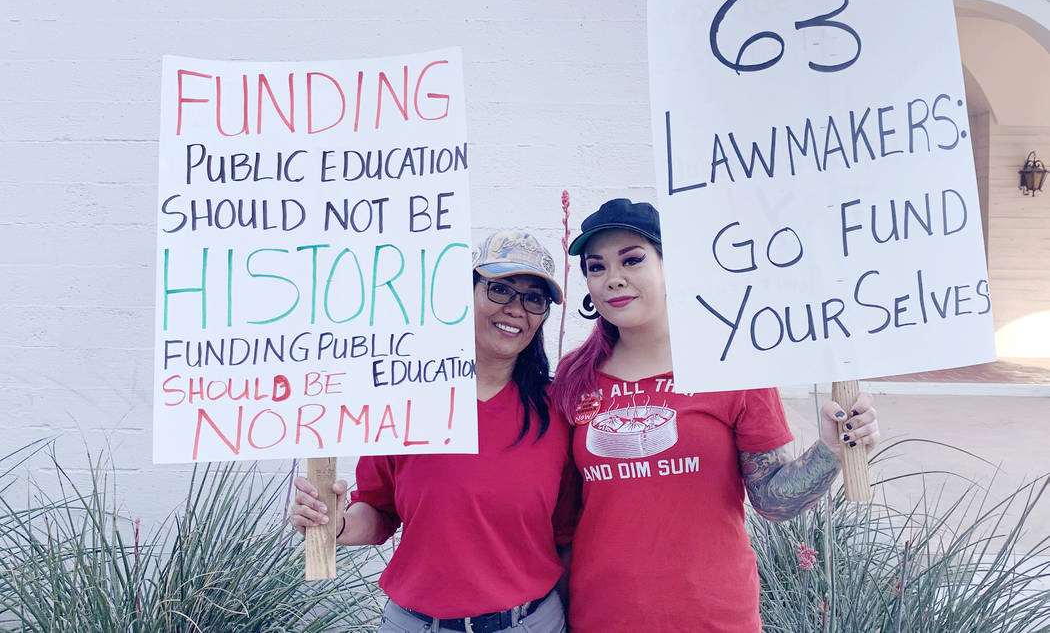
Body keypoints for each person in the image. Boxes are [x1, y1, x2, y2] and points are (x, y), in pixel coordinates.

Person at [548, 198, 881, 633]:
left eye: (632, 260)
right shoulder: (575, 376)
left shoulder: (731, 366)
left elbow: (773, 501)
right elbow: (564, 520)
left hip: (712, 617)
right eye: (597, 267)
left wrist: (831, 450)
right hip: (603, 616)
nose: (614, 279)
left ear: (673, 268)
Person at [290, 229, 575, 633]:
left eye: (534, 298)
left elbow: (564, 538)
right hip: (415, 625)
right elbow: (379, 510)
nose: (516, 308)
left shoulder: (556, 412)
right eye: (500, 289)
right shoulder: (408, 400)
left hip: (530, 623)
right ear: (468, 293)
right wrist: (335, 525)